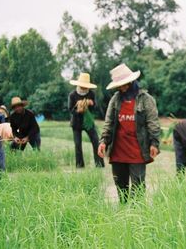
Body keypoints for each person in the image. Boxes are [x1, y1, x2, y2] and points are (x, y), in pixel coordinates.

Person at [98, 63, 161, 203]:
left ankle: (137, 216)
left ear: (132, 81)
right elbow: (108, 123)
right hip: (118, 150)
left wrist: (154, 143)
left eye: (125, 84)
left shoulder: (146, 99)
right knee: (121, 186)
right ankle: (124, 213)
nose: (122, 87)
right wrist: (103, 141)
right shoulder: (115, 99)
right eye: (119, 85)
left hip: (137, 150)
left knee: (138, 186)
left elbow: (153, 123)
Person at [68, 73, 104, 168]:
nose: (84, 87)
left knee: (96, 141)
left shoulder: (91, 93)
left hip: (88, 121)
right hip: (76, 123)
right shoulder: (72, 95)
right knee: (78, 144)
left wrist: (91, 103)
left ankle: (99, 164)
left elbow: (95, 107)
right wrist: (78, 110)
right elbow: (70, 109)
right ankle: (80, 165)